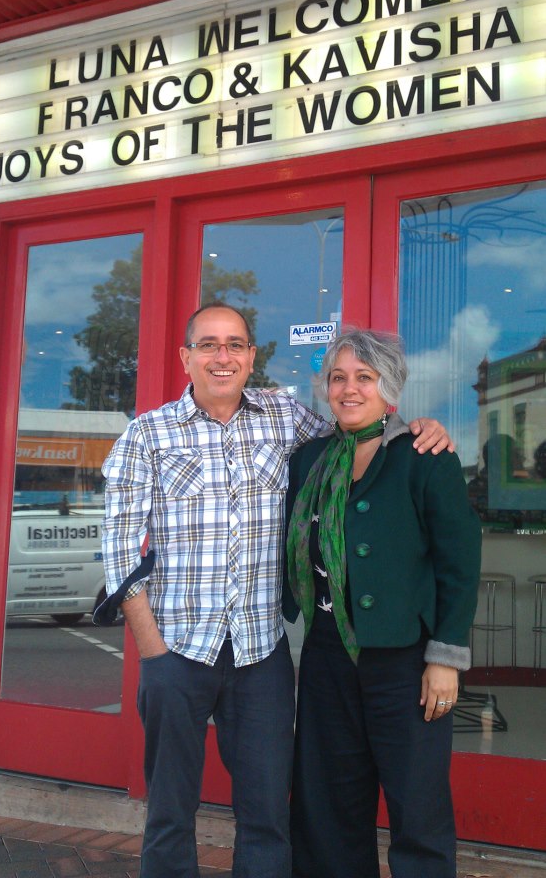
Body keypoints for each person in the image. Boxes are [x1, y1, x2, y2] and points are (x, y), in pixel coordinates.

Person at [98, 303, 453, 878]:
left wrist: (415, 426)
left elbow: (356, 433)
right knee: (170, 810)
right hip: (178, 652)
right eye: (208, 344)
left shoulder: (283, 416)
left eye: (235, 344)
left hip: (261, 655)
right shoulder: (148, 435)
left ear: (251, 357)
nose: (223, 356)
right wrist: (153, 655)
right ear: (185, 356)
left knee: (267, 813)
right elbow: (117, 550)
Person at [285, 327, 481, 878]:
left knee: (417, 807)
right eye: (339, 378)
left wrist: (445, 657)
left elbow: (459, 565)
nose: (350, 389)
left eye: (364, 378)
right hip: (327, 656)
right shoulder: (310, 459)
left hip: (406, 660)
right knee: (326, 804)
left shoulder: (424, 454)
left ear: (388, 385)